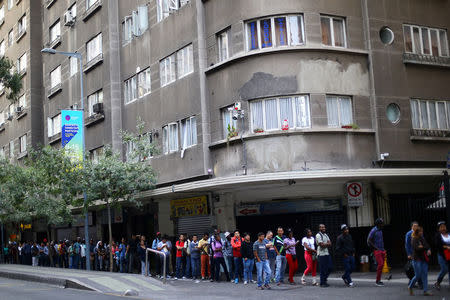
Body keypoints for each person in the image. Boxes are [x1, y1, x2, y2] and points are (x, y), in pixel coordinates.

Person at [408, 226, 432, 296]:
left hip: (423, 259)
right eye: (420, 231)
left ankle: (425, 291)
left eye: (422, 231)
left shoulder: (422, 238)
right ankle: (410, 286)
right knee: (418, 275)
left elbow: (427, 245)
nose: (422, 232)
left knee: (425, 275)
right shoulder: (414, 239)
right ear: (417, 232)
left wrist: (425, 248)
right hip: (416, 259)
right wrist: (423, 247)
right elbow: (417, 248)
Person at [367, 218, 386, 287]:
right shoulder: (373, 230)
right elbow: (369, 240)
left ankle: (379, 280)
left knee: (382, 265)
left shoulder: (380, 230)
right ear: (378, 224)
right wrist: (375, 248)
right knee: (380, 264)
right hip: (377, 250)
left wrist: (383, 249)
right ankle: (377, 281)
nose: (383, 224)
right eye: (382, 223)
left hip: (382, 249)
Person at [405, 221, 422, 288]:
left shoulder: (419, 233)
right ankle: (420, 283)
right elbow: (407, 245)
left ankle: (411, 281)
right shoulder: (409, 234)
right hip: (413, 253)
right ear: (412, 227)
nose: (416, 227)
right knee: (415, 268)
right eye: (414, 226)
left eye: (417, 226)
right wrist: (409, 254)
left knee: (417, 268)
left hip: (419, 253)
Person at [434, 221, 450, 290]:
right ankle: (438, 282)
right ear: (439, 229)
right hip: (442, 254)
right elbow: (437, 245)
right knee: (444, 269)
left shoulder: (449, 234)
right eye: (441, 227)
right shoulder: (437, 236)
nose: (443, 228)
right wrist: (446, 247)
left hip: (449, 254)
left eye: (444, 226)